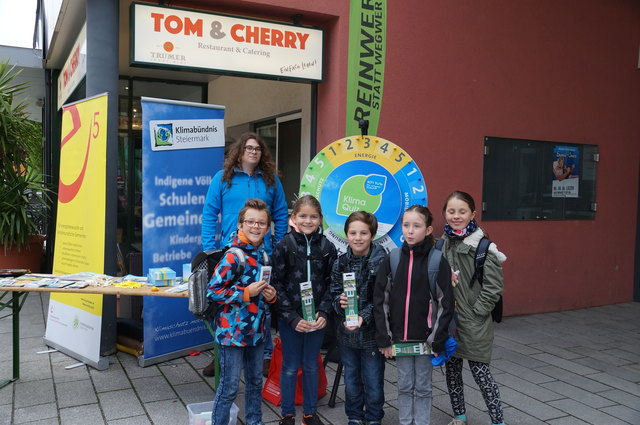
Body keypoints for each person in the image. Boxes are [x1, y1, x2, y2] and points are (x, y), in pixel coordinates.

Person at [201, 132, 288, 376]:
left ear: (262, 154)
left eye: (257, 148)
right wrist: (210, 249)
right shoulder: (223, 178)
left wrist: (278, 244)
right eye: (248, 147)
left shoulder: (271, 181)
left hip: (264, 254)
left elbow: (281, 214)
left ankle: (264, 356)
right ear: (239, 151)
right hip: (231, 252)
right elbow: (209, 213)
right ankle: (220, 355)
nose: (253, 151)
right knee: (226, 304)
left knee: (262, 303)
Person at [373, 205, 454, 425]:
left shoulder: (437, 261)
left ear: (428, 230)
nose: (410, 231)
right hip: (399, 339)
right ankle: (406, 421)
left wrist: (437, 339)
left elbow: (445, 303)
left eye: (416, 226)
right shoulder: (392, 259)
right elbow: (381, 301)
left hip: (426, 340)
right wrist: (385, 337)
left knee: (424, 387)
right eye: (406, 225)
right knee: (404, 385)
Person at [206, 198, 277, 425]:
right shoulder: (233, 256)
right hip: (232, 334)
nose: (256, 227)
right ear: (240, 225)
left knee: (256, 383)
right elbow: (213, 291)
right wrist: (245, 293)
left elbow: (265, 295)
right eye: (250, 222)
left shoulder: (264, 255)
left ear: (267, 228)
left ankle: (254, 422)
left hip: (257, 333)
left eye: (261, 223)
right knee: (229, 387)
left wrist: (271, 296)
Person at [439, 191, 506, 425]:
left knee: (481, 374)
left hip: (475, 322)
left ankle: (498, 420)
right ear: (445, 214)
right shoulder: (442, 243)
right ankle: (459, 416)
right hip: (450, 321)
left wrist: (477, 311)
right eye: (451, 211)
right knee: (453, 372)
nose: (456, 216)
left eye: (462, 211)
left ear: (473, 214)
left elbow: (494, 287)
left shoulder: (483, 246)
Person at [271, 195, 337, 425]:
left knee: (311, 365)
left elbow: (333, 284)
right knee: (289, 366)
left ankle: (310, 413)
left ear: (320, 219)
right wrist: (291, 318)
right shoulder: (283, 246)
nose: (308, 221)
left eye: (313, 217)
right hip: (291, 321)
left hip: (316, 320)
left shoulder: (328, 247)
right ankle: (287, 414)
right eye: (303, 216)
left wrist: (324, 313)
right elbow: (275, 284)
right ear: (293, 218)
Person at [330, 211, 386, 425]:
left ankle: (373, 418)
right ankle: (354, 416)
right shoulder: (340, 263)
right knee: (351, 379)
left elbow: (382, 299)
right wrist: (339, 303)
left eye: (363, 232)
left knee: (373, 379)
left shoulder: (381, 261)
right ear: (346, 235)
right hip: (347, 334)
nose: (358, 237)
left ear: (372, 234)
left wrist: (364, 316)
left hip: (372, 334)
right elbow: (334, 292)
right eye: (353, 233)